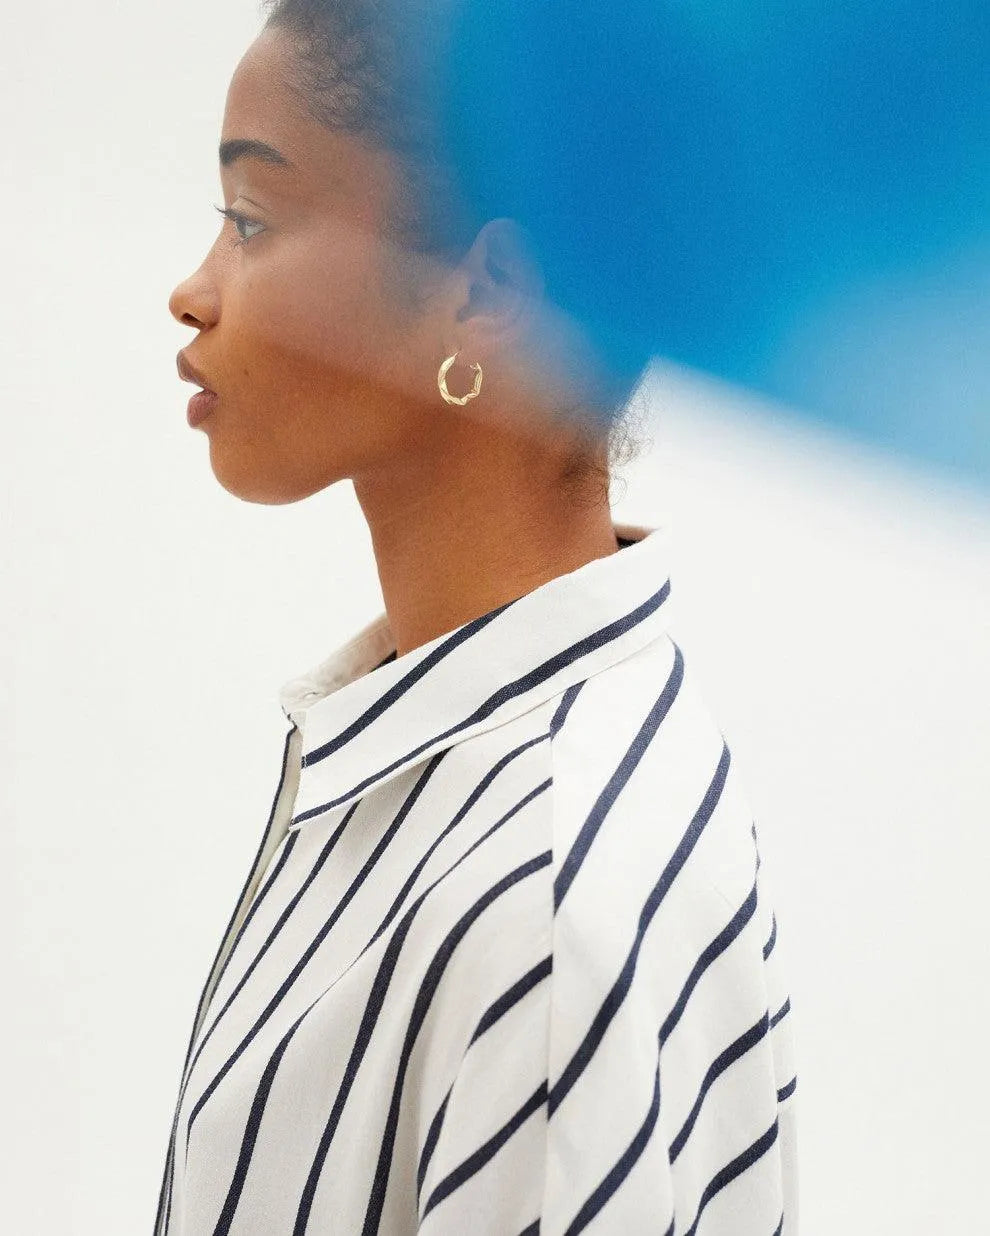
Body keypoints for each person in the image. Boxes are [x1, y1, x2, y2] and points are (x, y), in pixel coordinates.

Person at [160, 3, 798, 1233]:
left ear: (488, 290)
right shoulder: (460, 763)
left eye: (251, 221)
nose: (193, 291)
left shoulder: (541, 883)